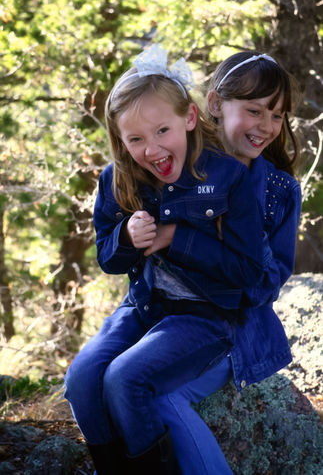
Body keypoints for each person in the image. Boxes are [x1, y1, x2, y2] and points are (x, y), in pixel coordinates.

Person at [64, 45, 267, 475]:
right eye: (135, 139)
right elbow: (107, 256)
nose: (152, 149)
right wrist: (125, 238)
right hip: (142, 306)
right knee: (81, 378)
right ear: (121, 140)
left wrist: (177, 239)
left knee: (124, 379)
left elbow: (249, 271)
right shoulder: (117, 178)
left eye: (162, 131)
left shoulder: (228, 178)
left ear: (189, 119)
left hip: (204, 316)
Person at [154, 51, 302, 474]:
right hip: (166, 318)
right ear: (216, 104)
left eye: (277, 115)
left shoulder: (279, 190)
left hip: (233, 330)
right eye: (254, 110)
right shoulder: (181, 167)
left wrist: (235, 235)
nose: (267, 127)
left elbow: (268, 281)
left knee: (161, 394)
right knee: (107, 381)